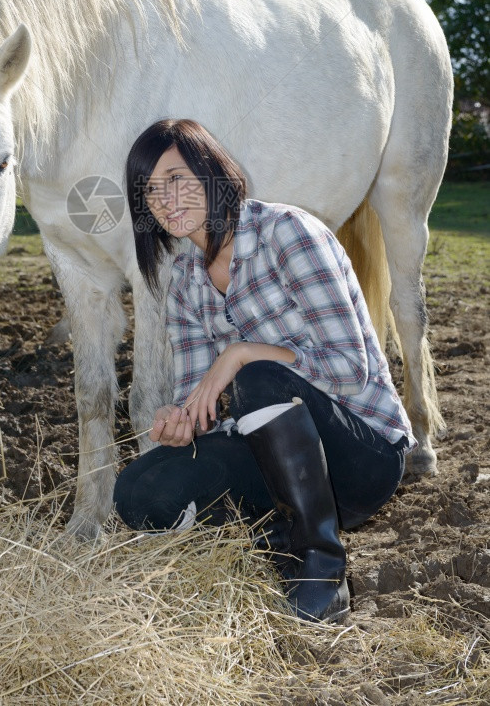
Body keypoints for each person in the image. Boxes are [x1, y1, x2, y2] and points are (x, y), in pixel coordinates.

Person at [114, 119, 415, 624]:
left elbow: (350, 370)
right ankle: (278, 544)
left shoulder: (287, 232)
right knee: (139, 488)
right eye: (149, 190)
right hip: (282, 464)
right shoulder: (185, 281)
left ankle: (321, 570)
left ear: (211, 172)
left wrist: (239, 354)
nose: (164, 199)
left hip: (364, 453)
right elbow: (200, 399)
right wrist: (181, 418)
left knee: (257, 375)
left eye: (177, 178)